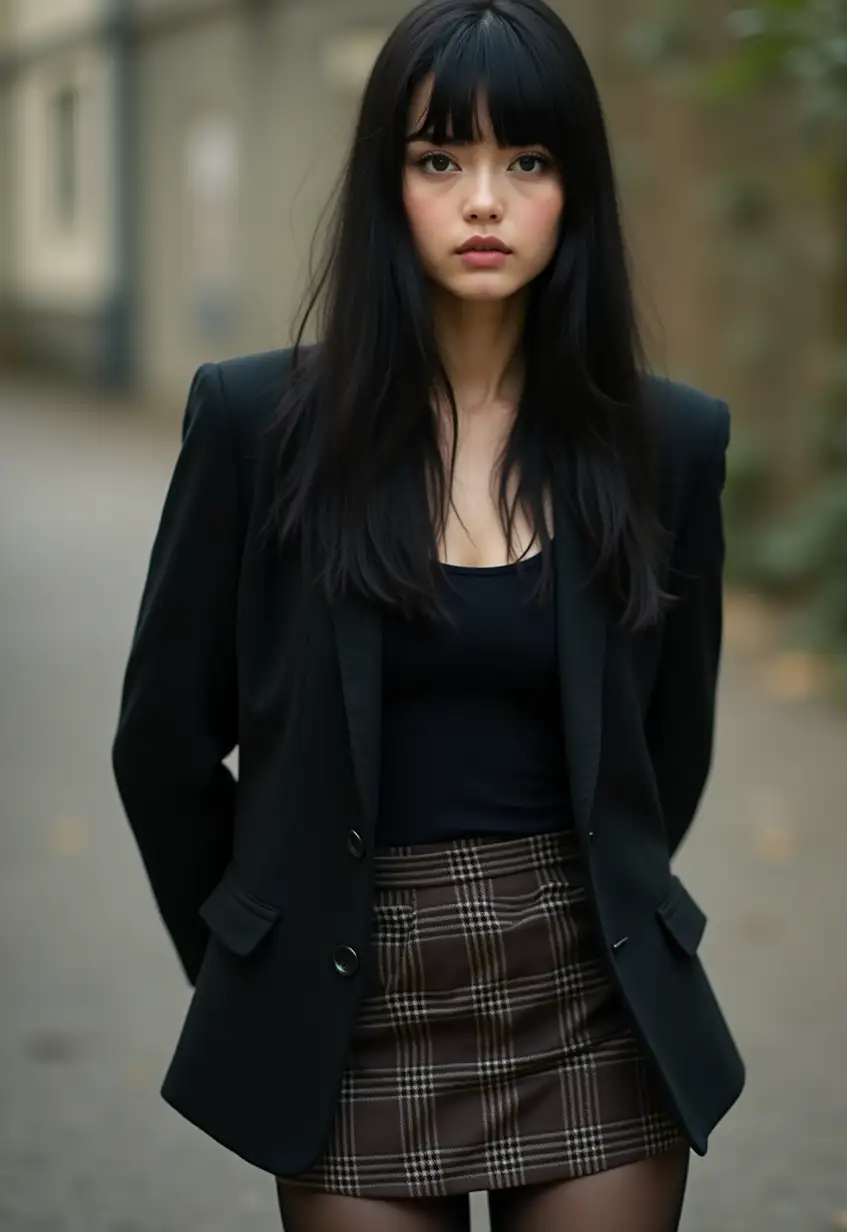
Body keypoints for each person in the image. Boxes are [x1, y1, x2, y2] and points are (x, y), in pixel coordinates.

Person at [111, 0, 746, 1228]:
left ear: (578, 192)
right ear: (384, 185)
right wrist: (258, 952)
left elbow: (669, 742)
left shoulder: (666, 441)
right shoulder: (255, 426)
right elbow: (164, 744)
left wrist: (613, 893)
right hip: (348, 992)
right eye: (439, 158)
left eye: (529, 160)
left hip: (585, 990)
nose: (485, 201)